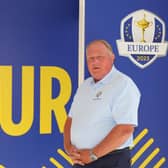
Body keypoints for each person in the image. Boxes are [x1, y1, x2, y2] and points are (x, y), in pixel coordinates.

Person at [64, 40, 141, 168]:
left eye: (100, 57)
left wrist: (93, 155)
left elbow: (125, 130)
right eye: (90, 58)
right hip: (81, 161)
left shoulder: (123, 84)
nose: (95, 62)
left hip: (110, 161)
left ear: (112, 58)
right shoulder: (84, 86)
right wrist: (69, 148)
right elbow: (70, 120)